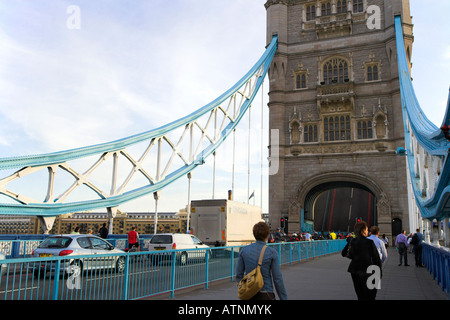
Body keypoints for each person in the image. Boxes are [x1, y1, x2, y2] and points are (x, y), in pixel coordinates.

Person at [236, 222, 288, 300]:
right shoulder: (272, 252)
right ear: (267, 236)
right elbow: (277, 279)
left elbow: (239, 275)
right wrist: (283, 298)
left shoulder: (244, 251)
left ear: (254, 235)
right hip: (266, 293)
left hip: (249, 294)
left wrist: (244, 289)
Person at [341, 220, 382, 300]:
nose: (367, 231)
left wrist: (348, 242)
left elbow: (343, 253)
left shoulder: (353, 241)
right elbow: (376, 259)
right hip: (369, 271)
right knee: (371, 295)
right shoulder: (369, 242)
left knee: (360, 295)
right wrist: (379, 273)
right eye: (366, 229)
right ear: (363, 230)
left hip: (355, 270)